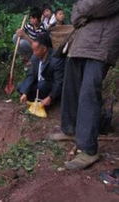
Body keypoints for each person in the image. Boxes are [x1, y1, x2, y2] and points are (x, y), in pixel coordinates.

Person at [49, 0, 119, 170]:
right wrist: (82, 12)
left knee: (89, 92)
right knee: (71, 88)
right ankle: (70, 129)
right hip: (81, 42)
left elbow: (97, 5)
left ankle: (88, 149)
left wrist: (80, 10)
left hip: (101, 43)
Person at [18, 33, 64, 106]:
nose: (34, 53)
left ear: (44, 49)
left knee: (42, 85)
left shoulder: (56, 60)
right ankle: (32, 98)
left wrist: (50, 97)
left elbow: (58, 82)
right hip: (38, 84)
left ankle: (50, 100)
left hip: (48, 85)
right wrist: (25, 92)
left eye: (36, 50)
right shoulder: (35, 57)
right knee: (20, 86)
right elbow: (31, 75)